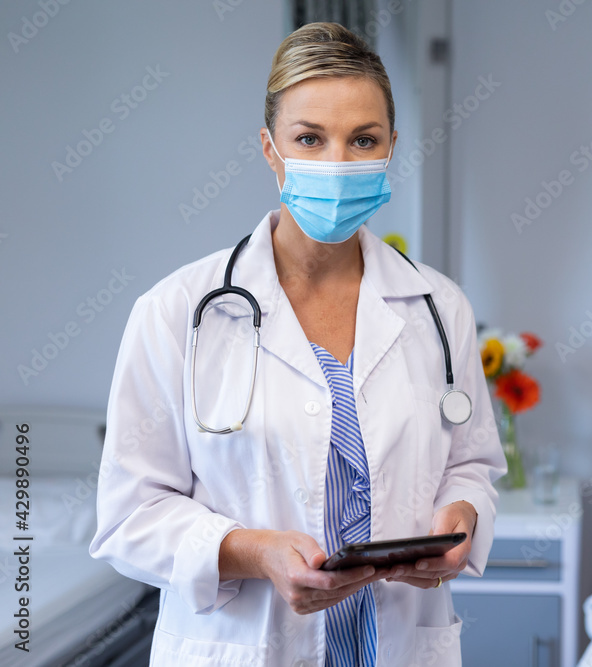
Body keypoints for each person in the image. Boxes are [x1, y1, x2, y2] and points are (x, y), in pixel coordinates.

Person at [89, 23, 505, 667]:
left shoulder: (439, 307)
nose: (336, 164)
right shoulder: (177, 313)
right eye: (309, 138)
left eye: (362, 140)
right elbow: (128, 517)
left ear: (391, 147)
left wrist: (461, 518)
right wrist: (255, 552)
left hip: (397, 644)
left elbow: (471, 464)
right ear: (269, 149)